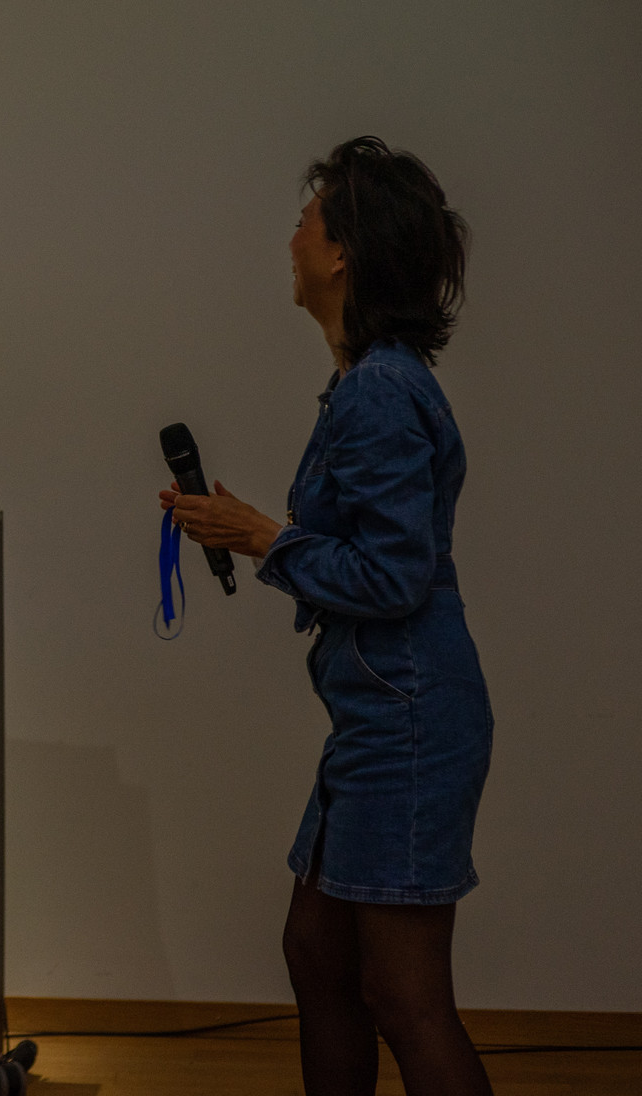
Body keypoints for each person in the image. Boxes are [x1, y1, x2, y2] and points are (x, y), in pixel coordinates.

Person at [163, 136, 493, 1096]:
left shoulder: (380, 390)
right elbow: (372, 559)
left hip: (408, 722)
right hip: (382, 714)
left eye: (307, 220)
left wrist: (265, 537)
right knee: (317, 952)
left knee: (405, 998)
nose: (292, 239)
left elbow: (394, 576)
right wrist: (253, 533)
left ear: (343, 251)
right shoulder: (368, 380)